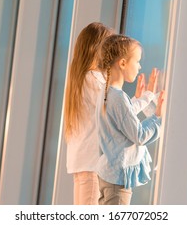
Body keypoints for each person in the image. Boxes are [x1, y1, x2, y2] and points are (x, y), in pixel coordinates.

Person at [64, 22, 158, 205]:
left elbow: (119, 110)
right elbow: (120, 110)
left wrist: (140, 99)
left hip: (83, 164)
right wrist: (146, 98)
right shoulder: (94, 80)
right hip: (92, 165)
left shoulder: (83, 79)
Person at [96, 34, 164, 205]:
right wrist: (158, 118)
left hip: (109, 175)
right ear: (123, 63)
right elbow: (139, 135)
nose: (140, 66)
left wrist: (145, 97)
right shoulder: (117, 97)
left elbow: (124, 116)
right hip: (117, 182)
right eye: (137, 61)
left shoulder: (108, 92)